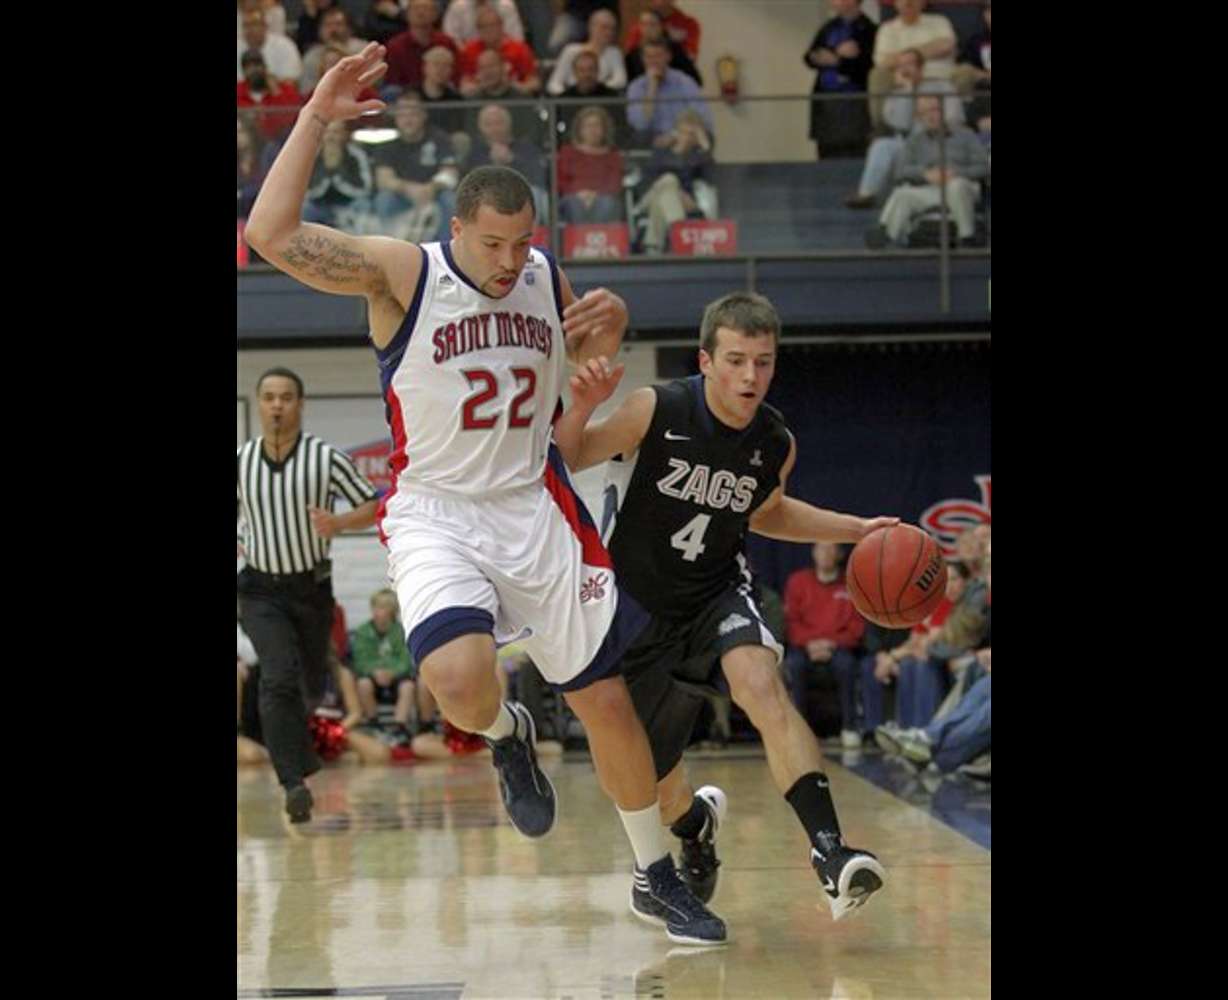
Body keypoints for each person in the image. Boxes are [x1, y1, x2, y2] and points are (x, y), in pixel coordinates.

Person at [244, 43, 726, 946]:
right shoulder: (401, 271)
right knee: (460, 685)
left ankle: (653, 876)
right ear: (458, 230)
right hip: (436, 510)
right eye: (493, 244)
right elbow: (270, 238)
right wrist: (313, 114)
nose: (510, 261)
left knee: (606, 702)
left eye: (523, 241)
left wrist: (609, 325)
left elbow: (580, 356)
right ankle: (506, 730)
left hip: (533, 503)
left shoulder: (541, 274)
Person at [553, 290, 896, 921]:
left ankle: (830, 851)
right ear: (706, 360)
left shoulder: (773, 440)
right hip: (636, 608)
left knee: (761, 686)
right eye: (736, 360)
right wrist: (580, 406)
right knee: (655, 782)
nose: (750, 377)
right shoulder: (656, 408)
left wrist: (855, 529)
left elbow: (767, 512)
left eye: (763, 362)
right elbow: (569, 455)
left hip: (716, 591)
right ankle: (694, 825)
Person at [236, 367, 381, 822]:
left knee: (310, 687)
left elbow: (374, 504)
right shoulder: (241, 460)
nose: (277, 405)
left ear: (301, 404)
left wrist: (338, 523)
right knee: (278, 676)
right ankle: (292, 783)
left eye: (286, 397)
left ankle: (298, 757)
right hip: (260, 591)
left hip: (312, 590)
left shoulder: (326, 458)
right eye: (269, 397)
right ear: (259, 405)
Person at [843, 48, 962, 209]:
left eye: (909, 64)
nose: (905, 69)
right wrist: (908, 91)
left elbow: (955, 118)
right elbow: (901, 125)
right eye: (900, 66)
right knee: (882, 146)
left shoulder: (942, 86)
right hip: (907, 143)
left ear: (921, 68)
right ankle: (866, 194)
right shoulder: (896, 94)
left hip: (939, 141)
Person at [865, 94, 989, 249]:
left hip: (964, 187)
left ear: (942, 111)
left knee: (955, 186)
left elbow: (984, 167)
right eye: (924, 113)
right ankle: (886, 235)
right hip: (931, 189)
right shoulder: (914, 141)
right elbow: (900, 171)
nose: (930, 116)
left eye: (934, 110)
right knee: (903, 194)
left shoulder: (966, 135)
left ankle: (967, 237)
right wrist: (925, 174)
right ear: (918, 117)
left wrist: (956, 173)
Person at [782, 541, 866, 749]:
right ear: (813, 552)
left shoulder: (851, 585)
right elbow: (791, 622)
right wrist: (810, 643)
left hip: (838, 647)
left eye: (831, 549)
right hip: (805, 647)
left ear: (839, 555)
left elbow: (856, 627)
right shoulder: (798, 581)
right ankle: (799, 730)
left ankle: (850, 727)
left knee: (846, 666)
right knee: (794, 665)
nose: (826, 554)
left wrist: (831, 643)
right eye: (821, 548)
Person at [370, 90, 460, 242]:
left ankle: (445, 246)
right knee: (383, 199)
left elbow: (450, 173)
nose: (408, 120)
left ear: (423, 115)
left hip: (433, 192)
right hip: (402, 194)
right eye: (403, 115)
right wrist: (409, 189)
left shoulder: (439, 139)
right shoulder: (387, 143)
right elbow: (383, 179)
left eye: (412, 114)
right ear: (396, 118)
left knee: (450, 200)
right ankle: (391, 246)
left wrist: (431, 187)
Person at [631, 110, 715, 255]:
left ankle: (653, 245)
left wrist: (705, 147)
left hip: (682, 202)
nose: (687, 137)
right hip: (649, 197)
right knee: (669, 180)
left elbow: (711, 176)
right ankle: (679, 232)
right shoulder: (662, 152)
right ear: (675, 133)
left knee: (664, 198)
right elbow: (648, 179)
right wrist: (675, 190)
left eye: (692, 134)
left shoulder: (697, 157)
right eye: (683, 132)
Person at [803, 0, 876, 160]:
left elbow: (867, 65)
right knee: (826, 153)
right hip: (825, 100)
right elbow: (810, 56)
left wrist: (838, 62)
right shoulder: (829, 27)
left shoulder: (869, 29)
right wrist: (832, 54)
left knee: (853, 153)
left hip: (853, 100)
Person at [868, 0, 956, 130]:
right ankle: (882, 128)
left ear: (923, 3)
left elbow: (946, 46)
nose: (908, 2)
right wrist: (928, 50)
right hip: (903, 82)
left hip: (938, 78)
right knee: (877, 74)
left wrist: (905, 57)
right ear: (895, 3)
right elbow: (882, 62)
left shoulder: (939, 22)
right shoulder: (887, 29)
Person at [350, 588, 422, 743]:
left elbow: (406, 660)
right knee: (363, 684)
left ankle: (400, 727)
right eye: (375, 607)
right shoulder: (363, 631)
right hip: (372, 677)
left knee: (408, 687)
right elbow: (360, 660)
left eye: (382, 607)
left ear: (392, 611)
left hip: (396, 678)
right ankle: (373, 723)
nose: (377, 611)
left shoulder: (402, 631)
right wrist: (375, 671)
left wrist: (392, 672)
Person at [467, 105, 549, 222]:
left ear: (509, 124)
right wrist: (493, 163)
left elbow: (538, 177)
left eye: (499, 123)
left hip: (519, 196)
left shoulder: (526, 148)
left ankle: (528, 238)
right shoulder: (476, 153)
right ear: (480, 128)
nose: (495, 128)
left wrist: (511, 160)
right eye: (488, 124)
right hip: (487, 199)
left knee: (535, 195)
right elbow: (470, 182)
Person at [626, 39, 713, 147]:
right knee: (640, 137)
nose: (654, 61)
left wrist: (675, 135)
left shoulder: (684, 81)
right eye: (649, 57)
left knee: (703, 136)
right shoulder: (636, 87)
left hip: (682, 140)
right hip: (652, 145)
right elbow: (640, 125)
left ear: (668, 57)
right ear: (642, 59)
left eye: (658, 56)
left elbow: (704, 118)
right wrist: (652, 88)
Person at [557, 106, 624, 225]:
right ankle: (579, 240)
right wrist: (579, 193)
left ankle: (594, 239)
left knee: (606, 203)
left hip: (603, 197)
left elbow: (615, 183)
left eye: (597, 125)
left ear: (604, 129)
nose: (593, 130)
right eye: (588, 126)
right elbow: (561, 181)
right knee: (574, 203)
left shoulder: (613, 155)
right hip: (573, 197)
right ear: (580, 129)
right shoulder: (567, 152)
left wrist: (595, 194)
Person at [303, 119, 375, 229]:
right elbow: (304, 191)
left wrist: (339, 172)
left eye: (336, 132)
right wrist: (326, 172)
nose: (331, 137)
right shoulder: (312, 157)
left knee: (364, 206)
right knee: (304, 208)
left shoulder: (356, 156)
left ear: (344, 135)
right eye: (327, 132)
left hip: (350, 204)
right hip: (319, 205)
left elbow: (365, 188)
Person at [458, 5, 542, 96]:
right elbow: (464, 84)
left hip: (512, 98)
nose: (489, 30)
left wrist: (514, 87)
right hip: (481, 99)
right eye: (483, 27)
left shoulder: (520, 49)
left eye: (493, 25)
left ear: (502, 26)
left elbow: (534, 83)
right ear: (478, 30)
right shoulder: (469, 51)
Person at [385, 0, 461, 91]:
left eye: (426, 8)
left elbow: (456, 75)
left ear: (435, 14)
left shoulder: (446, 42)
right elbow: (393, 80)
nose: (420, 12)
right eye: (415, 8)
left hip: (441, 92)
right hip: (406, 96)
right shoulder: (395, 46)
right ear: (407, 14)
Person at [547, 8, 626, 96]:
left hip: (601, 99)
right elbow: (553, 84)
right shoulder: (570, 50)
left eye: (612, 29)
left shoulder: (614, 53)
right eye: (604, 27)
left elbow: (620, 81)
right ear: (591, 27)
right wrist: (570, 95)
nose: (609, 33)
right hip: (572, 100)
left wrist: (593, 89)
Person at [555, 48, 627, 142]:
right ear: (574, 72)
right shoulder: (563, 100)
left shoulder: (612, 97)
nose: (586, 75)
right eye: (582, 70)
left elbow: (620, 129)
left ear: (598, 71)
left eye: (591, 69)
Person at [624, 7, 701, 87]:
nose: (647, 28)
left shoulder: (675, 50)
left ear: (661, 27)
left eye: (652, 24)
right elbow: (629, 85)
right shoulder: (633, 55)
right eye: (643, 24)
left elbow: (696, 81)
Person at [238, 50, 303, 142]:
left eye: (257, 64)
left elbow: (290, 119)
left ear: (265, 67)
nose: (254, 70)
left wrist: (276, 92)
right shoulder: (238, 91)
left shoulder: (284, 89)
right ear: (243, 71)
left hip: (278, 141)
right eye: (248, 66)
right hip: (247, 143)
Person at [300, 7, 369, 92]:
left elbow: (375, 82)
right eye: (328, 25)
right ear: (320, 31)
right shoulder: (312, 56)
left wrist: (343, 52)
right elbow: (306, 90)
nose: (333, 29)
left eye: (338, 24)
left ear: (349, 29)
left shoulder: (364, 48)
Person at [238, 2, 303, 83]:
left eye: (255, 24)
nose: (251, 30)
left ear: (265, 26)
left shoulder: (286, 46)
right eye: (246, 25)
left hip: (276, 94)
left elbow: (292, 82)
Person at [623, 0, 701, 62]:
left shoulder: (689, 24)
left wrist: (671, 40)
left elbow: (691, 58)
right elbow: (630, 59)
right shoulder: (640, 26)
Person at [443, 0, 525, 44]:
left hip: (502, 57)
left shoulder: (506, 5)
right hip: (466, 56)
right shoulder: (457, 6)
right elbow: (451, 39)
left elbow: (517, 39)